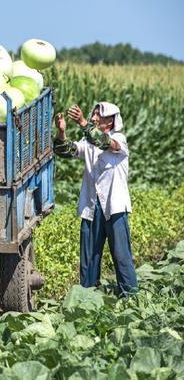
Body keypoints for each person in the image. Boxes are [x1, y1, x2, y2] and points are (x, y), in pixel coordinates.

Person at [54, 102, 138, 296]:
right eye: (92, 114)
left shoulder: (119, 140)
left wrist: (83, 123)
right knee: (89, 256)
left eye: (97, 115)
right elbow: (65, 150)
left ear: (110, 121)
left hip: (113, 205)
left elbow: (104, 142)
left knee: (121, 254)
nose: (93, 117)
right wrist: (61, 132)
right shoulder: (89, 144)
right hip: (92, 205)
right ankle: (87, 297)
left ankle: (130, 296)